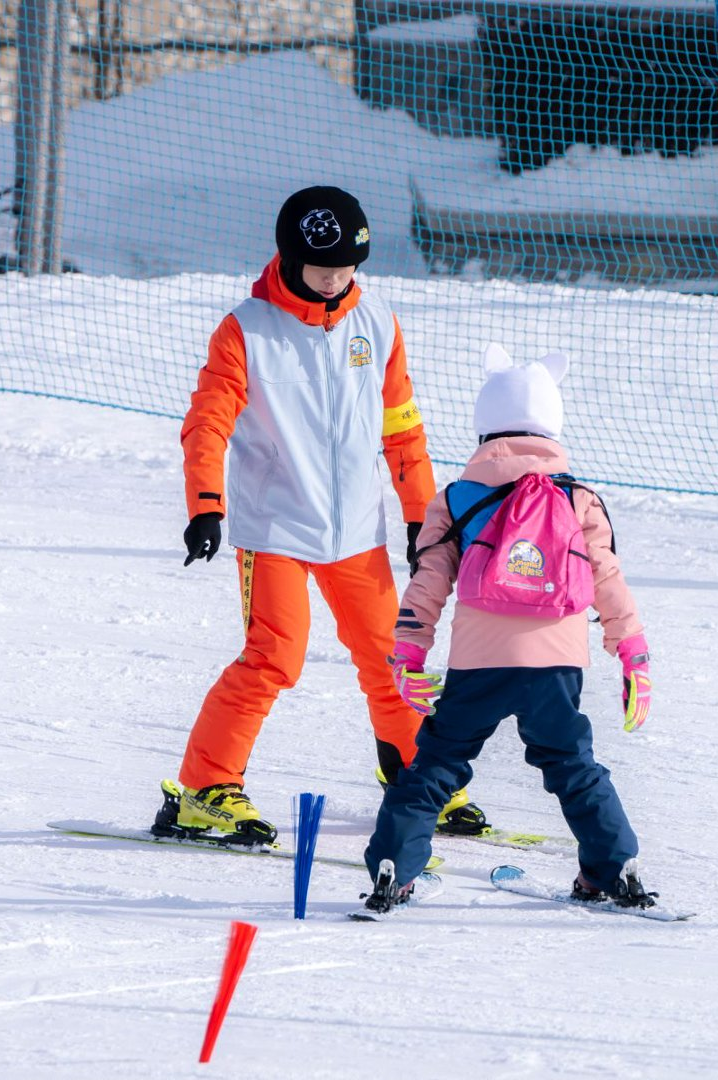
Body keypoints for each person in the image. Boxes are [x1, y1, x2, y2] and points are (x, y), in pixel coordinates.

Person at [151, 186, 489, 844]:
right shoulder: (247, 330)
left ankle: (418, 771)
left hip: (357, 528)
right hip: (273, 525)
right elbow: (208, 425)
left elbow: (402, 427)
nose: (336, 281)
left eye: (347, 269)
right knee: (273, 657)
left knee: (395, 657)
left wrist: (422, 514)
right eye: (322, 270)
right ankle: (206, 790)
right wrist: (206, 507)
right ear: (289, 258)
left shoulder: (378, 324)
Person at [359, 343, 656, 914]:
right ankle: (612, 868)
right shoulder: (580, 499)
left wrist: (407, 653)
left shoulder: (457, 498)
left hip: (479, 660)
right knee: (573, 766)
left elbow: (428, 582)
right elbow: (607, 579)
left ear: (484, 425)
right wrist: (633, 654)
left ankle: (395, 867)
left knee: (438, 764)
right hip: (557, 663)